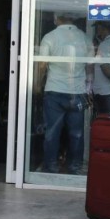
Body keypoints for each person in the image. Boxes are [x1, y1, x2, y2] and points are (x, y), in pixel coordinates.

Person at [38, 12, 92, 174]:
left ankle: (51, 166)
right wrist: (88, 86)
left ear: (57, 18)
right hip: (77, 90)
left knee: (52, 132)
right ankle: (74, 167)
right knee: (76, 134)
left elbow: (42, 64)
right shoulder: (84, 38)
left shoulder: (50, 37)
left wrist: (36, 84)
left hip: (54, 89)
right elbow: (90, 66)